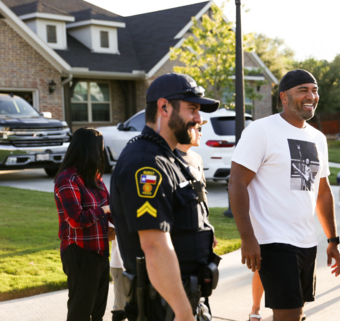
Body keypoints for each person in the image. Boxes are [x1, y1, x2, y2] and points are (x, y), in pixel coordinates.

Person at [229, 69, 340, 321]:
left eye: (314, 90)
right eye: (303, 90)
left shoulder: (317, 137)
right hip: (273, 240)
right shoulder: (261, 130)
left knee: (297, 312)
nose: (311, 95)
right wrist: (247, 238)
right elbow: (237, 183)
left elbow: (322, 192)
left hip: (306, 241)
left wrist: (332, 239)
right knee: (289, 314)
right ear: (284, 97)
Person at [110, 73, 220, 321]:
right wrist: (183, 313)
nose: (198, 119)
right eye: (192, 109)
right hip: (162, 307)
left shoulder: (169, 157)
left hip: (183, 299)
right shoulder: (145, 162)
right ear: (164, 107)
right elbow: (154, 245)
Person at [54, 128, 111, 321]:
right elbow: (76, 219)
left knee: (98, 311)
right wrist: (104, 211)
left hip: (101, 252)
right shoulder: (67, 179)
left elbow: (113, 212)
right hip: (79, 252)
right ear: (89, 150)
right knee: (80, 311)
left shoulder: (96, 179)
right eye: (100, 149)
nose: (102, 153)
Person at [108, 223, 127, 315]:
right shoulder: (115, 209)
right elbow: (108, 235)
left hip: (143, 262)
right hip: (119, 265)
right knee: (120, 307)